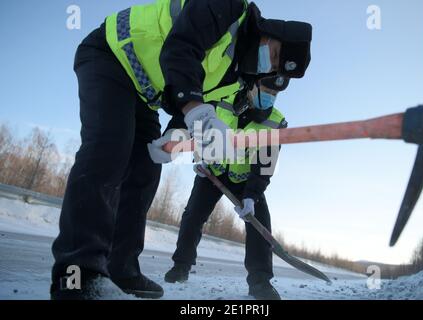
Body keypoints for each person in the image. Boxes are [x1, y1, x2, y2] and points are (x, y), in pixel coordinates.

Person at [51, 0, 312, 300]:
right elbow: (180, 49)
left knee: (145, 172)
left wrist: (174, 134)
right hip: (112, 54)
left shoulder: (236, 77)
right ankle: (78, 276)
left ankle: (121, 268)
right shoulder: (228, 7)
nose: (268, 63)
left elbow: (189, 96)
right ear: (271, 30)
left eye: (274, 65)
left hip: (144, 91)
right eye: (274, 52)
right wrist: (198, 113)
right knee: (109, 149)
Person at [164, 76, 290, 300]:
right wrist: (200, 156)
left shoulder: (275, 122)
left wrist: (251, 197)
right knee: (193, 214)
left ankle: (260, 282)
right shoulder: (221, 99)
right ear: (252, 86)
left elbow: (265, 165)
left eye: (275, 93)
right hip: (213, 170)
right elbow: (200, 126)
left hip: (246, 181)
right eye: (266, 90)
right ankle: (180, 267)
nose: (270, 96)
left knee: (259, 222)